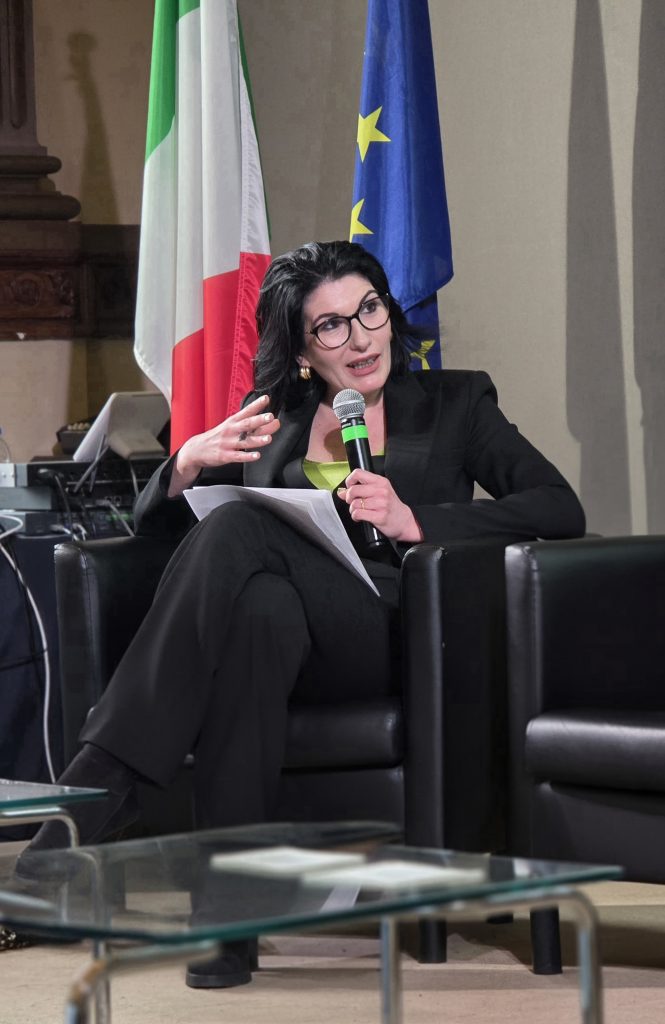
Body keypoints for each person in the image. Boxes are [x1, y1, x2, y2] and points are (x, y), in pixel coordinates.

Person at [18, 239, 585, 986]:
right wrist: (186, 464)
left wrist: (418, 520)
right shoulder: (272, 419)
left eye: (369, 310)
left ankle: (102, 781)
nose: (361, 339)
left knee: (239, 529)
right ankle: (230, 921)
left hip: (398, 635)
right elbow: (160, 542)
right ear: (300, 351)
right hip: (294, 645)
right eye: (331, 326)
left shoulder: (456, 404)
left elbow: (558, 507)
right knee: (259, 612)